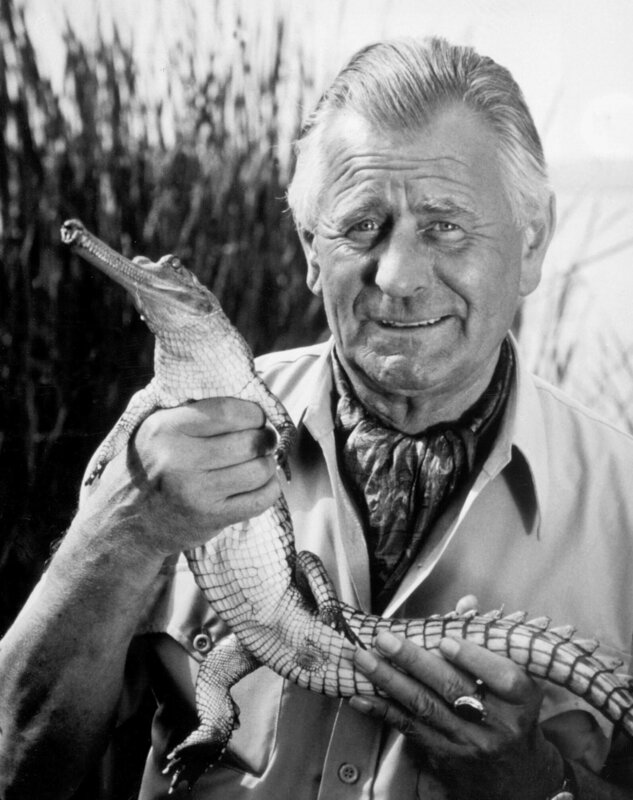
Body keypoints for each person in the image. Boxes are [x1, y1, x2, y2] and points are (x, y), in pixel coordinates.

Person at [1, 36, 632, 800]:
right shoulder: (154, 455)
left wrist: (537, 785)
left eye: (446, 226)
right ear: (308, 247)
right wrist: (119, 532)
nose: (397, 277)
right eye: (360, 226)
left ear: (530, 244)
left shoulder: (621, 505)